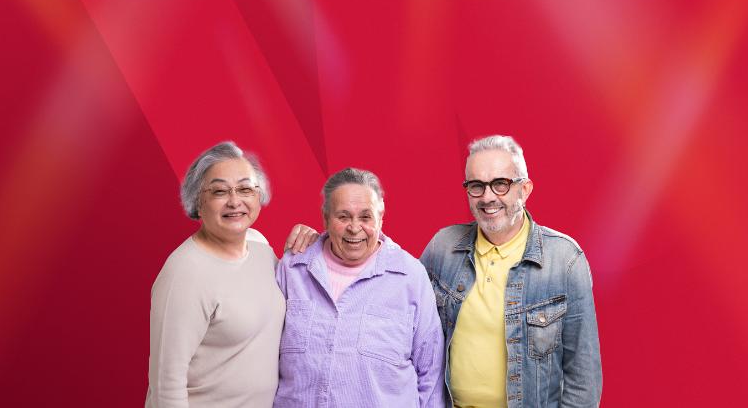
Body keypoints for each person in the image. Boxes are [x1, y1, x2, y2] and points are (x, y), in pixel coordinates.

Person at [420, 135, 602, 408]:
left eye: (500, 184)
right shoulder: (442, 248)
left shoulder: (564, 260)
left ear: (525, 189)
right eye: (476, 186)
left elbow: (583, 378)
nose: (488, 197)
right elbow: (407, 333)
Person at [145, 141, 316, 408]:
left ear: (259, 195)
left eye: (245, 189)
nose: (235, 201)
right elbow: (166, 383)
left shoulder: (259, 245)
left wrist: (311, 246)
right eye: (220, 191)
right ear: (197, 202)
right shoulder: (186, 272)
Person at [273, 168, 445, 408]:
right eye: (343, 217)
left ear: (380, 218)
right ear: (325, 219)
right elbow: (262, 352)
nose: (355, 228)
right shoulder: (292, 268)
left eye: (366, 217)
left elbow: (432, 373)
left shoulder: (410, 275)